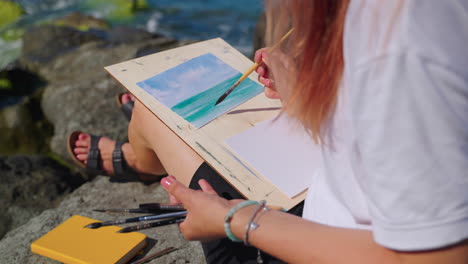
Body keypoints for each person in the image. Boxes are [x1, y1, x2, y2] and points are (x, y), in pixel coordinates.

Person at [71, 0, 468, 263]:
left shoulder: (399, 45)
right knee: (154, 111)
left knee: (151, 111)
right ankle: (144, 156)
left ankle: (142, 159)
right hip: (322, 203)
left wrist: (235, 219)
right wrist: (316, 100)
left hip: (298, 243)